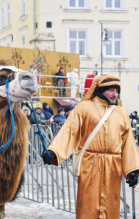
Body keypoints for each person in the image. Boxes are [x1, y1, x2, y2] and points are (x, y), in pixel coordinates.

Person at [42, 74, 139, 218]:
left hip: (113, 167)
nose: (115, 94)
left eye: (116, 91)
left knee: (111, 207)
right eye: (111, 90)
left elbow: (128, 143)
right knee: (88, 206)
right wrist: (55, 151)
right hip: (90, 165)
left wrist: (132, 169)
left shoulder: (121, 113)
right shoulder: (84, 108)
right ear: (101, 89)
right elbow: (70, 130)